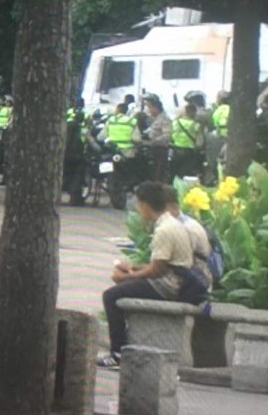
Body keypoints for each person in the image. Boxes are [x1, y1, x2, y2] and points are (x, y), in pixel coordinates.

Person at [99, 182, 195, 368]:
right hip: (174, 279)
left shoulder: (164, 230)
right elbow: (162, 264)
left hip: (168, 286)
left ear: (144, 205)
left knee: (111, 296)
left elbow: (157, 271)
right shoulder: (172, 223)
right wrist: (134, 268)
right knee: (122, 289)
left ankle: (118, 353)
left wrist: (127, 277)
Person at [143, 95, 171, 182]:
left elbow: (167, 135)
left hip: (160, 150)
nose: (148, 110)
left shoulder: (164, 119)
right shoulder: (154, 119)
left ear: (156, 108)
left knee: (159, 175)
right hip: (154, 149)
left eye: (149, 107)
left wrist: (154, 141)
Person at [171, 103, 203, 179]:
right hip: (189, 151)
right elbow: (200, 142)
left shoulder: (175, 123)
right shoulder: (196, 125)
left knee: (175, 172)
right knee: (186, 173)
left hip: (176, 150)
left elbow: (170, 136)